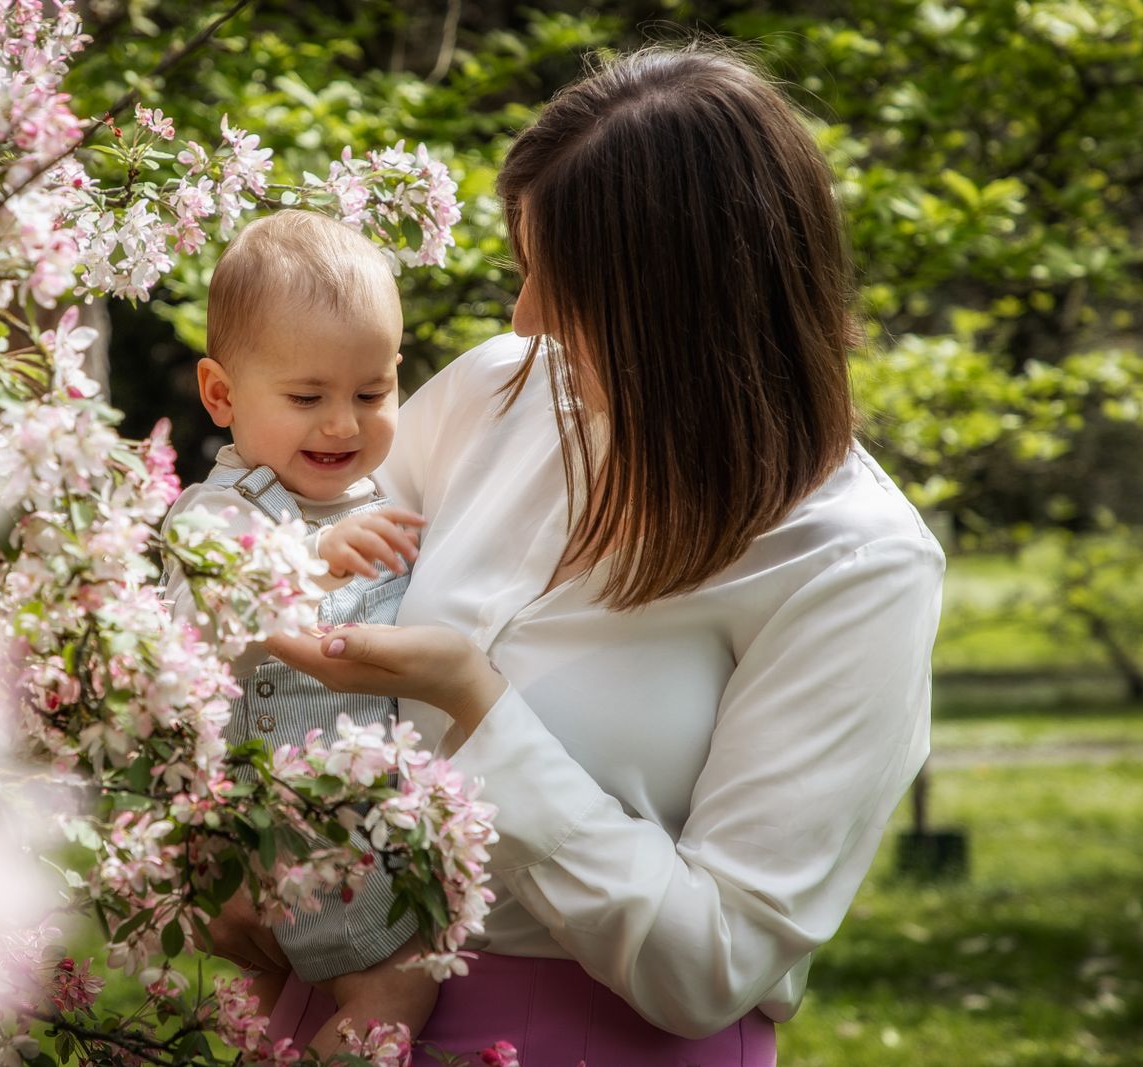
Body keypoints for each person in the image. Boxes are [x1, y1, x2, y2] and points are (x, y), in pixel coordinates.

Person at [245, 41, 948, 1066]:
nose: (521, 317)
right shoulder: (500, 391)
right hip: (343, 1001)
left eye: (557, 283)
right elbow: (294, 566)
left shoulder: (851, 564)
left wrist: (479, 707)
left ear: (687, 306)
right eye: (525, 269)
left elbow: (710, 961)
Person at [160, 209, 437, 1056]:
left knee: (261, 1023)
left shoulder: (392, 494)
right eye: (308, 397)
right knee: (408, 976)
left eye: (371, 392)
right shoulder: (213, 512)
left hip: (297, 838)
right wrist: (316, 558)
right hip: (303, 836)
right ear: (221, 394)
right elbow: (217, 594)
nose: (344, 425)